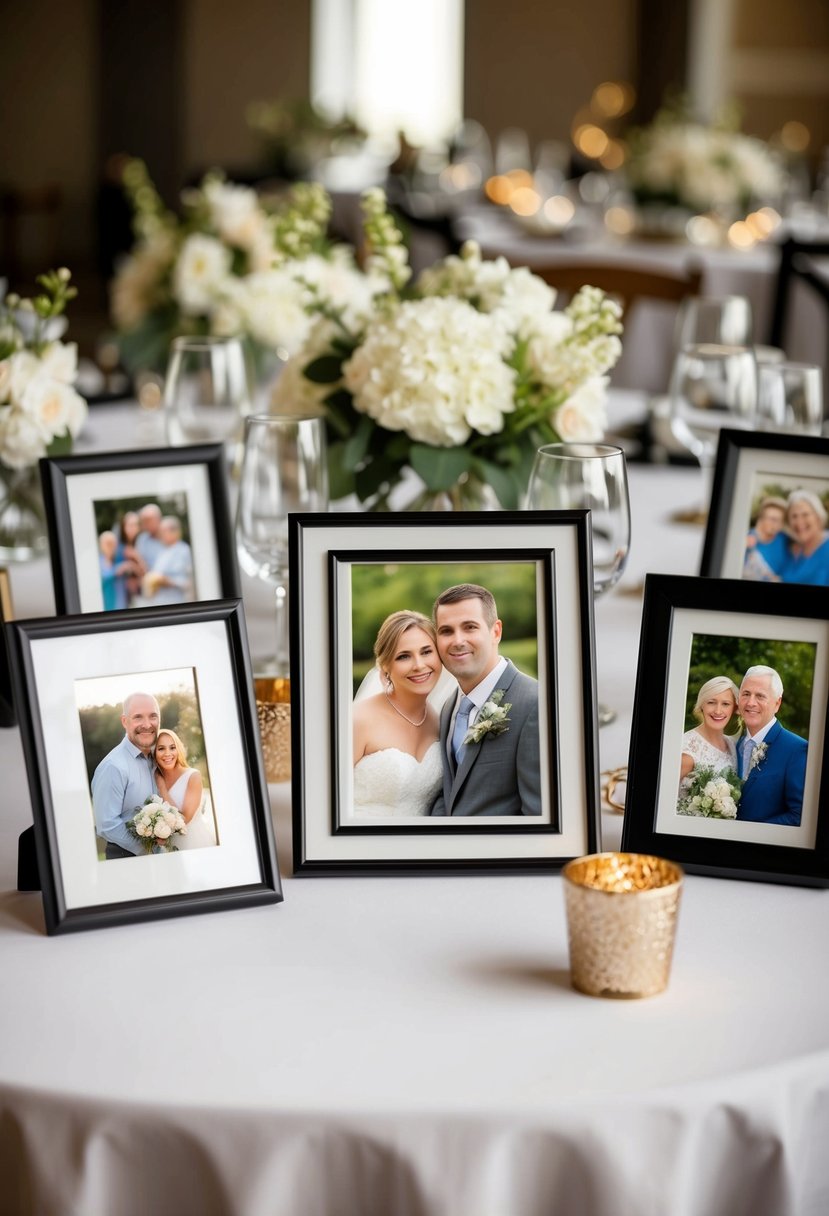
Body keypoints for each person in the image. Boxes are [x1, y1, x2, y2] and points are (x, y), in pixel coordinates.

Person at [429, 583, 541, 817]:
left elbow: (538, 817)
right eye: (446, 631)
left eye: (469, 627)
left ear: (496, 631)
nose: (457, 640)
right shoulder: (449, 706)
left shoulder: (535, 704)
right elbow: (451, 792)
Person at [352, 611, 445, 816]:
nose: (419, 665)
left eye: (427, 651)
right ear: (386, 668)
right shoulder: (358, 720)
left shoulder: (441, 721)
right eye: (404, 656)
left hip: (420, 844)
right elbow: (323, 798)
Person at [736, 665, 807, 826]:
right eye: (746, 694)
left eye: (760, 696)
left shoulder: (797, 749)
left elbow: (799, 816)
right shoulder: (733, 745)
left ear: (777, 703)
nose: (751, 702)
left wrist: (750, 835)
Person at [91, 692, 160, 858]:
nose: (147, 724)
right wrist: (149, 849)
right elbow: (106, 825)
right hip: (126, 859)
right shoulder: (112, 767)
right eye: (138, 717)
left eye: (153, 716)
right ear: (124, 721)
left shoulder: (161, 757)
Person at [677, 676, 740, 806]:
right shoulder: (687, 749)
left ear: (734, 708)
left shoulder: (733, 745)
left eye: (725, 704)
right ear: (702, 706)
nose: (718, 710)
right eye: (711, 702)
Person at [154, 728, 216, 850]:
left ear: (178, 749)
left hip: (194, 843)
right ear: (153, 752)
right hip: (167, 848)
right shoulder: (152, 778)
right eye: (161, 748)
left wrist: (162, 788)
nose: (168, 753)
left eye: (172, 747)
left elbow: (185, 819)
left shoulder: (193, 776)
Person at [777, 490, 829, 586]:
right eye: (794, 516)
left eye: (805, 514)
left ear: (818, 517)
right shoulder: (792, 548)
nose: (799, 522)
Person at [139, 516, 194, 605]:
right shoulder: (162, 550)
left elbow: (185, 581)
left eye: (163, 531)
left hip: (175, 602)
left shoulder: (183, 550)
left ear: (175, 532)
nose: (160, 535)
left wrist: (165, 581)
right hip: (158, 602)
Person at [743, 497, 787, 582]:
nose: (776, 524)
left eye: (779, 520)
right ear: (762, 519)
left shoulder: (784, 540)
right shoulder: (746, 539)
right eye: (772, 519)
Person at [98, 529, 130, 611]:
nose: (111, 547)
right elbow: (101, 579)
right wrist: (116, 571)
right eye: (108, 544)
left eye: (113, 544)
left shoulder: (118, 560)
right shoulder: (98, 562)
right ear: (101, 545)